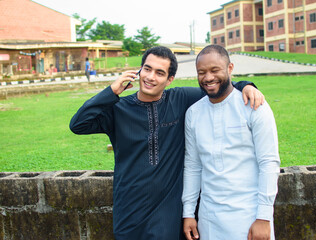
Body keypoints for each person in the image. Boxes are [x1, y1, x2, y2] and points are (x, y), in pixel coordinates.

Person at [69, 46, 264, 240]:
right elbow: (78, 124)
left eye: (159, 73)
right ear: (139, 70)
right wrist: (112, 91)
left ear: (169, 79)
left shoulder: (180, 99)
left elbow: (214, 84)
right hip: (129, 209)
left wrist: (245, 85)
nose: (151, 77)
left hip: (168, 213)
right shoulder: (118, 109)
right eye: (147, 69)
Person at [182, 45, 280, 240]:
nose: (208, 77)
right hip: (209, 217)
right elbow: (193, 165)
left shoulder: (254, 106)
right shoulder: (193, 113)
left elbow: (269, 163)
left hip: (249, 216)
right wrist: (188, 212)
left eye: (214, 70)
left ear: (230, 68)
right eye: (202, 72)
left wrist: (263, 217)